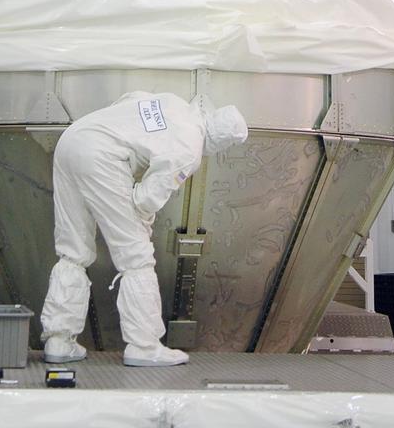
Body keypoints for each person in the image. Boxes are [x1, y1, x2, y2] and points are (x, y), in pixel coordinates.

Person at [40, 90, 248, 367]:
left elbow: (126, 101)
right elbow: (145, 199)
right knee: (136, 257)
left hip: (73, 139)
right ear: (219, 142)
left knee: (73, 250)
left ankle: (58, 340)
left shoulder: (173, 102)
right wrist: (139, 222)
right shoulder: (191, 147)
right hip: (102, 158)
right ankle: (144, 345)